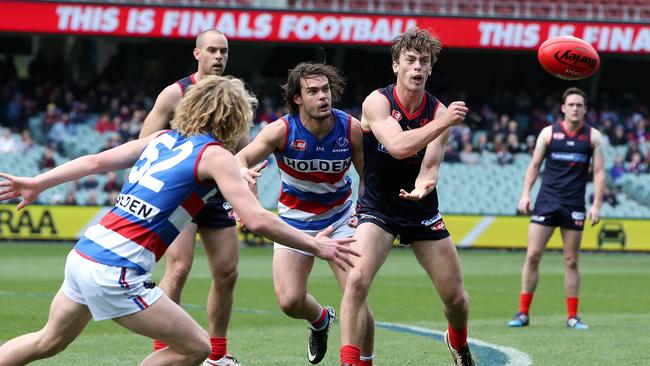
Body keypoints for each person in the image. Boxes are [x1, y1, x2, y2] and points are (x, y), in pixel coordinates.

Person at [0, 75, 358, 366]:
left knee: (47, 341)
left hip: (85, 255)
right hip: (116, 272)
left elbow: (94, 162)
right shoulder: (214, 154)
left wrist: (38, 182)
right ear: (234, 117)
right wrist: (316, 244)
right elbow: (257, 219)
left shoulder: (162, 138)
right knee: (196, 348)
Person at [338, 28, 474, 366]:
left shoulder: (439, 110)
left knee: (455, 299)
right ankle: (350, 361)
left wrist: (423, 186)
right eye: (410, 61)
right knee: (356, 280)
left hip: (421, 209)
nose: (417, 67)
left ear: (430, 69)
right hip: (378, 207)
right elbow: (398, 147)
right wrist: (442, 122)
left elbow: (429, 168)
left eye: (423, 62)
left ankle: (458, 342)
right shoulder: (377, 102)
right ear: (396, 66)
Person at [235, 63, 375, 365]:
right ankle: (321, 319)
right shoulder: (281, 131)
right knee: (289, 301)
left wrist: (362, 211)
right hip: (294, 222)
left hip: (340, 219)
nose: (322, 96)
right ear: (297, 98)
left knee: (357, 291)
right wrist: (244, 173)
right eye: (313, 91)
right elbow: (241, 157)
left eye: (325, 89)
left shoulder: (350, 128)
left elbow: (368, 176)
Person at [138, 29, 246, 365]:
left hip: (215, 193)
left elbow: (244, 146)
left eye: (223, 51)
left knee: (227, 272)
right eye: (212, 50)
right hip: (181, 193)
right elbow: (145, 140)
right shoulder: (175, 94)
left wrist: (243, 169)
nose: (218, 57)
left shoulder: (232, 95)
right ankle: (164, 352)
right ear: (197, 54)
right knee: (180, 266)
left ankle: (217, 355)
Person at [509, 87, 605, 330]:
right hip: (546, 202)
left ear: (585, 109)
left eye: (579, 105)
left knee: (571, 261)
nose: (575, 108)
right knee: (532, 256)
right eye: (571, 104)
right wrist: (524, 194)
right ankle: (522, 313)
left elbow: (600, 172)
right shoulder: (548, 134)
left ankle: (573, 317)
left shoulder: (593, 138)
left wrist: (596, 204)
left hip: (574, 204)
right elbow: (534, 165)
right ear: (563, 108)